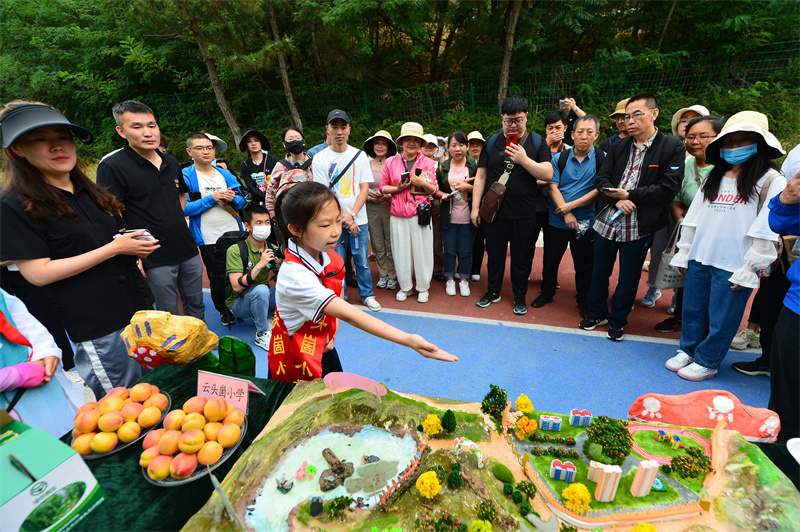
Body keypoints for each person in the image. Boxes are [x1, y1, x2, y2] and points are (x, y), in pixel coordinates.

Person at [0, 101, 157, 399]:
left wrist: (131, 246)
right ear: (18, 150)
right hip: (97, 324)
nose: (57, 147)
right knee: (125, 411)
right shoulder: (15, 204)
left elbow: (110, 237)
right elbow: (38, 274)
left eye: (63, 137)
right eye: (40, 140)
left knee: (158, 393)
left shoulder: (89, 190)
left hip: (137, 311)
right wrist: (114, 249)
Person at [268, 181, 458, 382]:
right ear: (296, 229)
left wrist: (332, 332)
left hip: (322, 344)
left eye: (338, 220)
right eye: (325, 225)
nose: (335, 231)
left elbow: (336, 289)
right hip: (294, 355)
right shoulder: (294, 276)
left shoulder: (328, 256)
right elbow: (349, 313)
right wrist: (409, 340)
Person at [666, 111, 786, 381]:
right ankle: (689, 350)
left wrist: (751, 267)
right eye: (729, 143)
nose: (734, 148)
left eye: (743, 141)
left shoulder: (770, 180)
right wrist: (685, 252)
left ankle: (708, 360)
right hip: (701, 254)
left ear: (760, 144)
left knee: (724, 316)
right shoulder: (714, 177)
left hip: (735, 261)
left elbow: (768, 228)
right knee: (693, 309)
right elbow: (694, 217)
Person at [579, 93, 684, 341]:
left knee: (629, 275)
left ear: (654, 114)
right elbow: (602, 179)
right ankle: (596, 313)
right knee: (599, 270)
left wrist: (632, 195)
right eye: (627, 116)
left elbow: (668, 187)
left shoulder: (671, 146)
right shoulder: (618, 145)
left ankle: (618, 319)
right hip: (608, 218)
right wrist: (619, 198)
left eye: (637, 114)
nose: (631, 121)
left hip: (640, 222)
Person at [97, 100, 205, 320]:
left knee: (196, 303)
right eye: (137, 127)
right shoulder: (113, 166)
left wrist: (175, 216)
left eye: (152, 125)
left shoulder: (170, 161)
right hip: (153, 255)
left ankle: (201, 349)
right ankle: (174, 354)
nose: (147, 133)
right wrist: (135, 253)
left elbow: (182, 192)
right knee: (167, 313)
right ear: (121, 131)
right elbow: (109, 213)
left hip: (186, 246)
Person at [470, 95, 552, 315]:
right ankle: (493, 291)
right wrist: (475, 208)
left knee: (521, 257)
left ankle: (519, 296)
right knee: (495, 255)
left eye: (518, 120)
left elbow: (548, 172)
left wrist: (524, 159)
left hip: (524, 213)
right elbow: (481, 176)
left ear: (527, 118)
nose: (513, 125)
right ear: (502, 119)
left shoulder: (536, 142)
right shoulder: (492, 141)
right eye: (508, 120)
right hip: (495, 213)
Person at [655, 115, 724, 334]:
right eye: (690, 137)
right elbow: (676, 201)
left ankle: (708, 330)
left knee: (713, 287)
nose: (695, 142)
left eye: (704, 137)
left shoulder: (727, 170)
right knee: (686, 281)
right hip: (690, 234)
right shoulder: (685, 164)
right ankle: (681, 318)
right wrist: (685, 224)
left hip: (717, 238)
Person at [312, 109, 381, 312]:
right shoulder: (320, 158)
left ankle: (367, 294)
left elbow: (364, 188)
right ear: (327, 130)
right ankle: (338, 298)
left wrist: (352, 216)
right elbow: (323, 194)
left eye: (343, 127)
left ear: (349, 130)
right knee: (336, 261)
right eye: (335, 127)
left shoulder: (360, 156)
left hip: (358, 220)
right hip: (332, 222)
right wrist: (341, 219)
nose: (339, 131)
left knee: (362, 261)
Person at [533, 116, 602, 317]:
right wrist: (567, 213)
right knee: (550, 260)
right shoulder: (559, 158)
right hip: (557, 221)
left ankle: (583, 300)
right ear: (572, 134)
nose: (584, 136)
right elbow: (552, 187)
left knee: (584, 264)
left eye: (590, 132)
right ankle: (546, 293)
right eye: (580, 132)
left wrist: (570, 207)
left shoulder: (603, 158)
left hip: (586, 223)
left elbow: (600, 189)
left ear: (596, 135)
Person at [0, 289, 85, 438]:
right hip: (9, 411)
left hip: (41, 384)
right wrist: (15, 376)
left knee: (74, 438)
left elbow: (22, 320)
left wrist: (45, 351)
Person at [182, 132, 246, 326]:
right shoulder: (186, 175)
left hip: (234, 232)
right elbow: (184, 208)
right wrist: (212, 198)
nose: (206, 152)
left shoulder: (224, 173)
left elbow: (242, 201)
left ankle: (242, 305)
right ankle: (223, 309)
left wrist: (232, 198)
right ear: (189, 151)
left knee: (241, 271)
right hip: (208, 237)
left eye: (209, 148)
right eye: (200, 148)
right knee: (217, 276)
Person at [380, 122, 438, 303]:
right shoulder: (391, 161)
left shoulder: (428, 162)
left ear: (421, 143)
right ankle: (405, 287)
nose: (411, 143)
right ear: (401, 142)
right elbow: (383, 188)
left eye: (415, 140)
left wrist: (422, 183)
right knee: (401, 251)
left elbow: (434, 190)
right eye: (408, 139)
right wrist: (398, 188)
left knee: (423, 252)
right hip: (397, 214)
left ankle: (423, 287)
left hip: (420, 213)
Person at [766, 146, 800, 442]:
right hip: (797, 305)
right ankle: (780, 458)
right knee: (785, 396)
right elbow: (781, 224)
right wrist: (786, 201)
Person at [226, 204, 281, 351]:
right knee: (262, 289)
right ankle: (262, 333)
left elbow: (286, 280)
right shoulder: (236, 250)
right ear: (247, 226)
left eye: (267, 222)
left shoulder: (272, 248)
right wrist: (260, 265)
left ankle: (281, 322)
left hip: (261, 298)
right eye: (259, 223)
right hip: (239, 303)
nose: (264, 226)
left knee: (287, 289)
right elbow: (236, 287)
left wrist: (283, 266)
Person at [435, 130, 477, 297]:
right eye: (453, 145)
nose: (457, 148)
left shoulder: (475, 165)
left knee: (466, 251)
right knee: (450, 250)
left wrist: (470, 188)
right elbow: (435, 189)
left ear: (467, 146)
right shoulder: (442, 167)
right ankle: (450, 279)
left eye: (461, 145)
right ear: (448, 148)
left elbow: (483, 187)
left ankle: (464, 280)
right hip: (449, 216)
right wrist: (442, 195)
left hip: (469, 216)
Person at [363, 130, 398, 291]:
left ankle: (393, 275)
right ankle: (383, 274)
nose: (380, 146)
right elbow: (362, 188)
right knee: (377, 243)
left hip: (390, 206)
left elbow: (399, 185)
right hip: (372, 207)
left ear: (389, 146)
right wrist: (372, 198)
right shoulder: (366, 164)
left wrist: (388, 196)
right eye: (377, 143)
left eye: (384, 143)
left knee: (391, 242)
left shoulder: (394, 163)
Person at [265, 126, 314, 221]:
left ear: (303, 140)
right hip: (287, 217)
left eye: (297, 138)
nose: (294, 141)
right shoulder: (280, 166)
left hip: (312, 214)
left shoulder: (314, 164)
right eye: (289, 139)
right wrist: (275, 216)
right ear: (284, 144)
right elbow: (270, 193)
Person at [422, 133, 446, 282]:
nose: (429, 147)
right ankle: (422, 269)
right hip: (418, 205)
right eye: (426, 144)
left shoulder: (441, 166)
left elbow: (441, 187)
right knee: (421, 240)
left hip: (436, 205)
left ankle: (437, 269)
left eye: (432, 145)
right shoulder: (415, 164)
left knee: (437, 240)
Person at [238, 129, 279, 205]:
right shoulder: (245, 165)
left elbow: (280, 181)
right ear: (246, 145)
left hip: (277, 200)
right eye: (249, 141)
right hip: (257, 203)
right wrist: (265, 199)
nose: (253, 143)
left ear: (261, 143)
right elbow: (251, 187)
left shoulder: (273, 160)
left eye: (256, 140)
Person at [467, 131, 487, 281]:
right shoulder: (461, 163)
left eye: (478, 144)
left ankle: (476, 269)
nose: (475, 146)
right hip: (462, 207)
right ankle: (463, 267)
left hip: (483, 208)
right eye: (472, 144)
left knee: (479, 239)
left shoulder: (487, 163)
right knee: (464, 240)